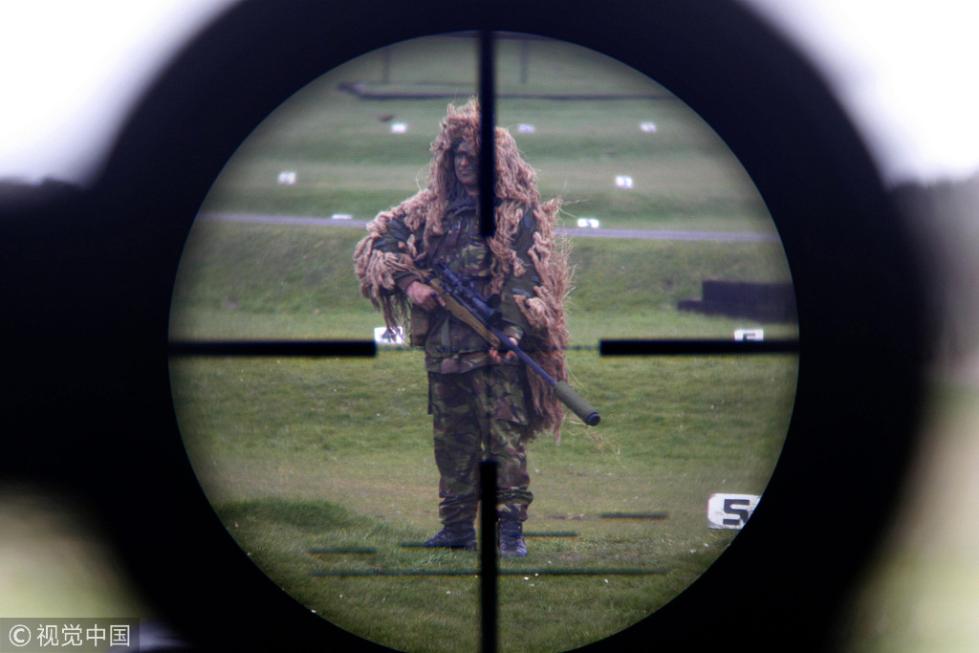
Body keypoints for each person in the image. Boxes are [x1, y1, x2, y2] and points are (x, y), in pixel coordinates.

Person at [353, 99, 570, 557]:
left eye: (474, 156)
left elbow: (526, 277)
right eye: (457, 155)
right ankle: (455, 528)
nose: (464, 164)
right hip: (445, 352)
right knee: (452, 444)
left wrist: (511, 331)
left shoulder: (516, 215)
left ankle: (510, 531)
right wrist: (411, 285)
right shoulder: (430, 211)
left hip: (494, 351)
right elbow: (380, 241)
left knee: (505, 444)